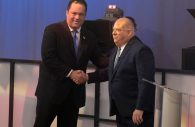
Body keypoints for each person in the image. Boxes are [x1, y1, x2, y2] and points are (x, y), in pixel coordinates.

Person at [33, 0, 108, 127]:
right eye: (74, 13)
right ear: (67, 12)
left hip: (73, 97)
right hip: (51, 94)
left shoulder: (89, 36)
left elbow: (100, 60)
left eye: (81, 14)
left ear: (85, 15)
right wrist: (71, 73)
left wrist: (120, 56)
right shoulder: (52, 30)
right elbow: (48, 57)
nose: (77, 17)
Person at [88, 17, 155, 127]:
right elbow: (110, 72)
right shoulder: (116, 50)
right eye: (113, 30)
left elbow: (146, 82)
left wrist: (140, 108)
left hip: (136, 113)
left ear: (129, 32)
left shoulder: (141, 50)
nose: (113, 33)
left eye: (118, 30)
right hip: (121, 111)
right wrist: (87, 77)